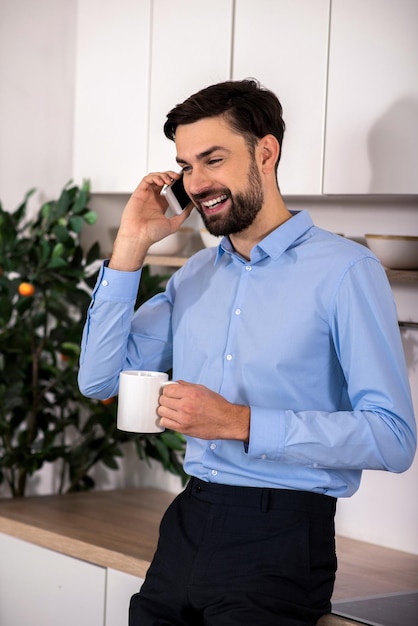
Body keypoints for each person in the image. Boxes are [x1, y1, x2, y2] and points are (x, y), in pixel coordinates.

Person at [78, 79, 416, 626]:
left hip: (282, 537)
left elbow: (393, 438)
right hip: (187, 523)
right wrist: (130, 247)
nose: (196, 183)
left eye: (213, 159)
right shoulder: (193, 276)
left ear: (266, 151)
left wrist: (240, 422)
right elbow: (98, 380)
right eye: (186, 166)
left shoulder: (347, 272)